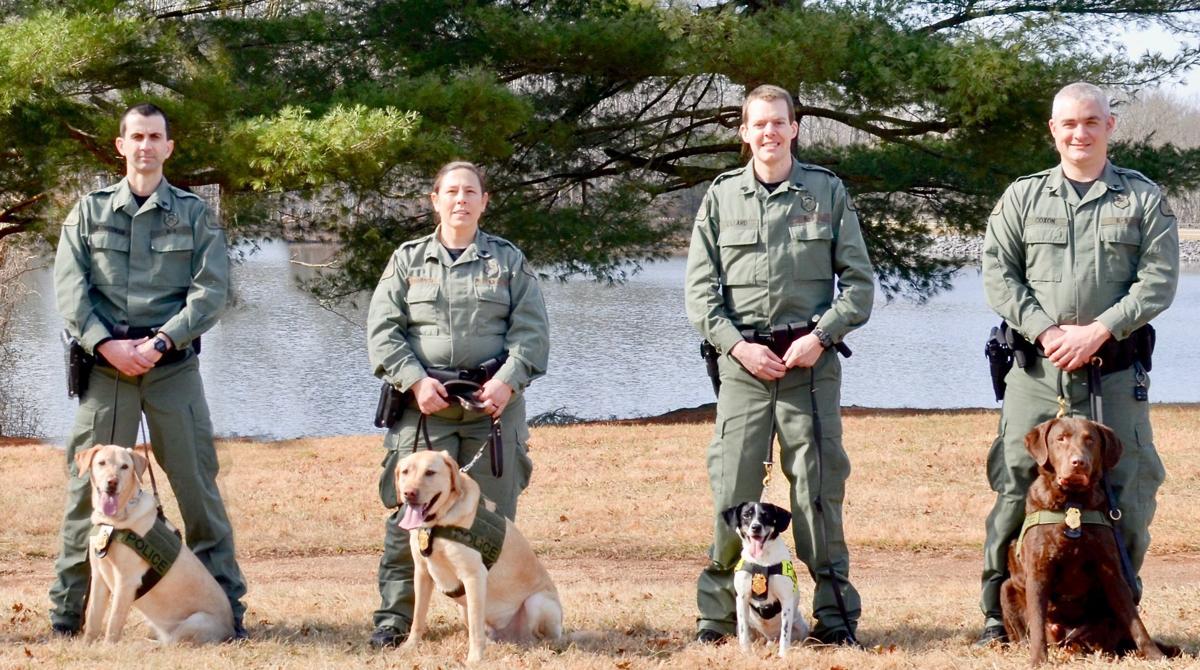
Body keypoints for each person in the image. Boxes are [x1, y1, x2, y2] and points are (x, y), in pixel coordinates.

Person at [976, 82, 1179, 645]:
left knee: (1128, 487)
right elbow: (998, 274)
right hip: (1037, 372)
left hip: (1113, 370)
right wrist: (1044, 330)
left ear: (1109, 127)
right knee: (1016, 482)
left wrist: (1099, 330)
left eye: (1091, 122)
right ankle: (1003, 614)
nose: (1079, 133)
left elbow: (1158, 280)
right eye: (1068, 124)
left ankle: (1117, 616)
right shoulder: (1023, 198)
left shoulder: (1139, 198)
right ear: (1053, 130)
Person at [684, 84, 875, 645]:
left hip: (808, 367)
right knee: (732, 490)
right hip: (743, 366)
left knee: (816, 492)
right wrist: (736, 347)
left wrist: (821, 337)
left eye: (779, 123)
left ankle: (835, 620)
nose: (768, 133)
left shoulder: (826, 192)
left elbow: (859, 286)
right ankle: (717, 621)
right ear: (744, 132)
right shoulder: (721, 198)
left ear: (795, 127)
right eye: (757, 124)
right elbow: (699, 296)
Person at [50, 103, 247, 638]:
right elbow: (71, 291)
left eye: (155, 137)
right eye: (135, 136)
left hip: (171, 369)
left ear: (168, 147)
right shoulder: (87, 212)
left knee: (197, 487)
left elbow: (210, 292)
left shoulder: (193, 214)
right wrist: (106, 344)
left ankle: (227, 608)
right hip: (106, 369)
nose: (145, 146)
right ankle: (69, 614)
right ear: (121, 146)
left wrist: (162, 341)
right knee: (87, 493)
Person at [365, 160, 549, 648]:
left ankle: (495, 621)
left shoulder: (508, 261)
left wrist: (508, 382)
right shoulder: (406, 261)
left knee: (493, 522)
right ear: (435, 200)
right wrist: (414, 381)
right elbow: (383, 333)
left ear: (484, 202)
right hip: (424, 409)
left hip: (491, 410)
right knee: (407, 514)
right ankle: (395, 620)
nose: (461, 200)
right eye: (451, 191)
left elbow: (532, 333)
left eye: (471, 192)